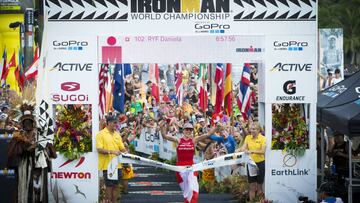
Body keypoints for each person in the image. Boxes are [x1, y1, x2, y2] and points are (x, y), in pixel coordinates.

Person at [7, 103, 56, 203]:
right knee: (25, 189)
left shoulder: (41, 134)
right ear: (22, 123)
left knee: (38, 190)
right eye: (25, 122)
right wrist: (26, 148)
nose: (28, 124)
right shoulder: (18, 136)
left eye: (30, 121)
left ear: (34, 122)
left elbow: (51, 151)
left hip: (38, 167)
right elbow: (12, 152)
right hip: (24, 167)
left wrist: (44, 148)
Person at [159, 121, 216, 203]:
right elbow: (164, 136)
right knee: (186, 193)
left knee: (194, 191)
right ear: (183, 130)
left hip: (191, 169)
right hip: (180, 170)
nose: (188, 131)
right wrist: (161, 127)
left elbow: (208, 134)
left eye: (190, 130)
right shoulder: (178, 140)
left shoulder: (194, 140)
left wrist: (216, 127)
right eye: (186, 129)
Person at [96, 115, 126, 203]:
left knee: (116, 186)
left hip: (118, 165)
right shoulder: (101, 134)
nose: (116, 124)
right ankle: (108, 201)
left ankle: (115, 201)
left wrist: (125, 152)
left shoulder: (117, 134)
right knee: (109, 186)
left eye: (117, 122)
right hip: (107, 165)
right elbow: (99, 149)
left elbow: (122, 147)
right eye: (114, 122)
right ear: (108, 123)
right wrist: (112, 152)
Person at [238, 123, 266, 201]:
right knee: (252, 186)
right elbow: (244, 147)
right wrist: (239, 150)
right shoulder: (247, 137)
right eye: (251, 129)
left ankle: (259, 202)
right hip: (251, 164)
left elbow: (263, 151)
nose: (252, 131)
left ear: (258, 130)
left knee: (260, 186)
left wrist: (251, 151)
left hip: (260, 163)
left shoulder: (263, 138)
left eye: (254, 129)